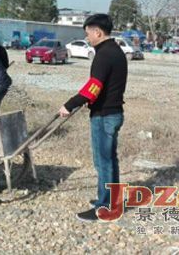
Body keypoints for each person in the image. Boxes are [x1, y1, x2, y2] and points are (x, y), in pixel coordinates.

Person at [58, 14, 128, 222]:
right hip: (112, 113)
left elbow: (92, 89)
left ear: (98, 32)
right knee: (109, 160)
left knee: (103, 162)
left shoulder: (104, 55)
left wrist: (69, 105)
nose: (87, 38)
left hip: (105, 115)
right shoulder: (114, 51)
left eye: (88, 33)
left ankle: (104, 207)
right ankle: (110, 200)